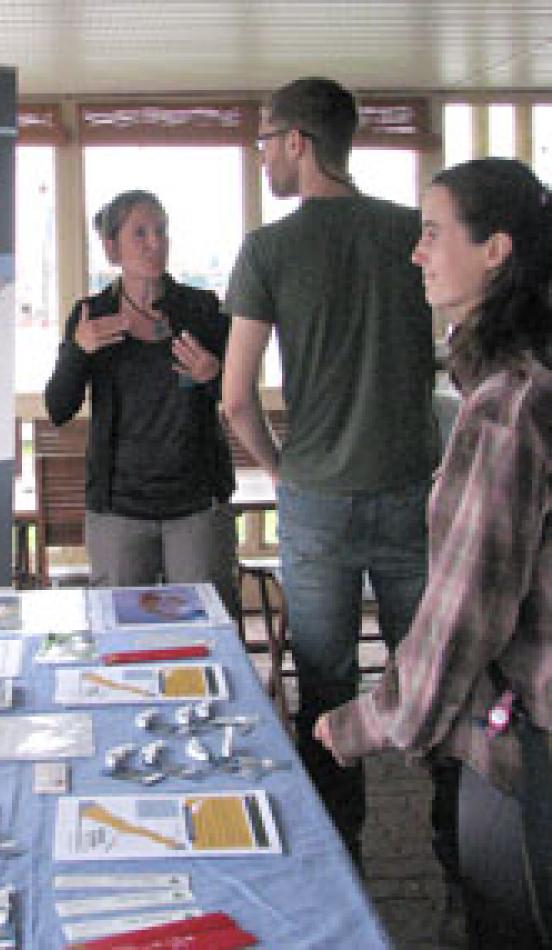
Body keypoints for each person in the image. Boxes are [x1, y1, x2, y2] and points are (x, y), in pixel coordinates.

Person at [316, 157, 551, 947]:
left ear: (496, 250)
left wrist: (364, 724)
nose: (416, 253)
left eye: (432, 232)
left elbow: (463, 620)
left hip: (533, 748)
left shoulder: (508, 408)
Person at [221, 77, 453, 872]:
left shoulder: (269, 249)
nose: (261, 157)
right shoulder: (412, 234)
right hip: (411, 495)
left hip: (316, 502)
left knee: (325, 685)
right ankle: (456, 849)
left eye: (264, 140)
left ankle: (339, 859)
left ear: (298, 142)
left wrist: (283, 473)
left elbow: (235, 396)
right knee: (432, 677)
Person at [43, 190, 239, 618]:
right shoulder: (91, 314)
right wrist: (79, 350)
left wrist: (213, 376)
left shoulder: (201, 309)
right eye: (141, 233)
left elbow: (236, 394)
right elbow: (59, 407)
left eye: (162, 230)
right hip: (119, 510)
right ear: (112, 248)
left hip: (196, 504)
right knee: (122, 633)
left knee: (207, 630)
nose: (156, 243)